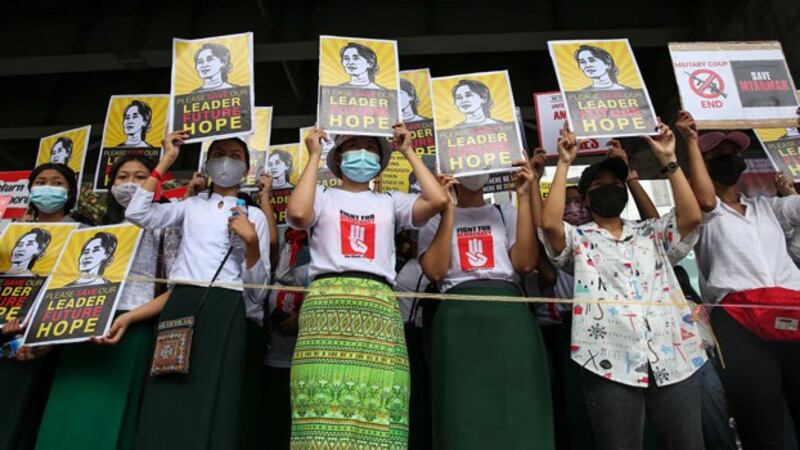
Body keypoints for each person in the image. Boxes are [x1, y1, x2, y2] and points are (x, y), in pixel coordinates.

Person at [539, 122, 706, 450]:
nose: (609, 188)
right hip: (608, 362)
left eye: (615, 183)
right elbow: (549, 224)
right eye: (598, 185)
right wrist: (563, 163)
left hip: (674, 355)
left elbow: (692, 216)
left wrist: (669, 160)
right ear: (586, 200)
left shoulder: (651, 232)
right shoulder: (580, 239)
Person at [286, 123, 448, 449]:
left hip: (377, 309)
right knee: (320, 398)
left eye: (371, 148)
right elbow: (299, 214)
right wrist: (314, 155)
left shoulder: (390, 201)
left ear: (381, 160)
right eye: (353, 147)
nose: (362, 154)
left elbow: (438, 199)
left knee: (380, 400)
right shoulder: (322, 196)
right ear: (338, 157)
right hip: (326, 308)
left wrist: (408, 150)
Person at [125, 130, 271, 450]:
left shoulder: (255, 216)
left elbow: (259, 290)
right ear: (206, 165)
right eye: (218, 154)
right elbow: (137, 213)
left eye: (235, 156)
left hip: (227, 306)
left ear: (247, 168)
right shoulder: (189, 206)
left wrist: (251, 241)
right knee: (168, 384)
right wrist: (167, 159)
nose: (226, 161)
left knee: (216, 390)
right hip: (182, 301)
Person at [34, 154, 181, 450]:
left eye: (140, 177)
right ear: (111, 185)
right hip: (82, 326)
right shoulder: (94, 230)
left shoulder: (167, 228)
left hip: (133, 328)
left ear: (155, 182)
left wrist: (129, 318)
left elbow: (176, 290)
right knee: (67, 414)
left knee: (112, 417)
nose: (130, 184)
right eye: (122, 177)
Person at [678, 109, 800, 450]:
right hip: (738, 323)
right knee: (762, 426)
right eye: (717, 154)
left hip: (793, 314)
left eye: (732, 153)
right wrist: (690, 141)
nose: (728, 158)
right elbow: (705, 199)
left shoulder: (768, 209)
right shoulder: (700, 214)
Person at [419, 155, 553, 449]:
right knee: (461, 408)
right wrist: (449, 210)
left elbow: (525, 263)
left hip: (509, 320)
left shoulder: (506, 213)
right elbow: (435, 271)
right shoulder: (433, 221)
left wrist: (524, 197)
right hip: (458, 321)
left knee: (519, 406)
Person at [0, 163, 82, 450]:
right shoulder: (9, 232)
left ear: (70, 192)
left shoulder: (82, 233)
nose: (48, 188)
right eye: (41, 182)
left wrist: (44, 339)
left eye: (57, 183)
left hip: (47, 342)